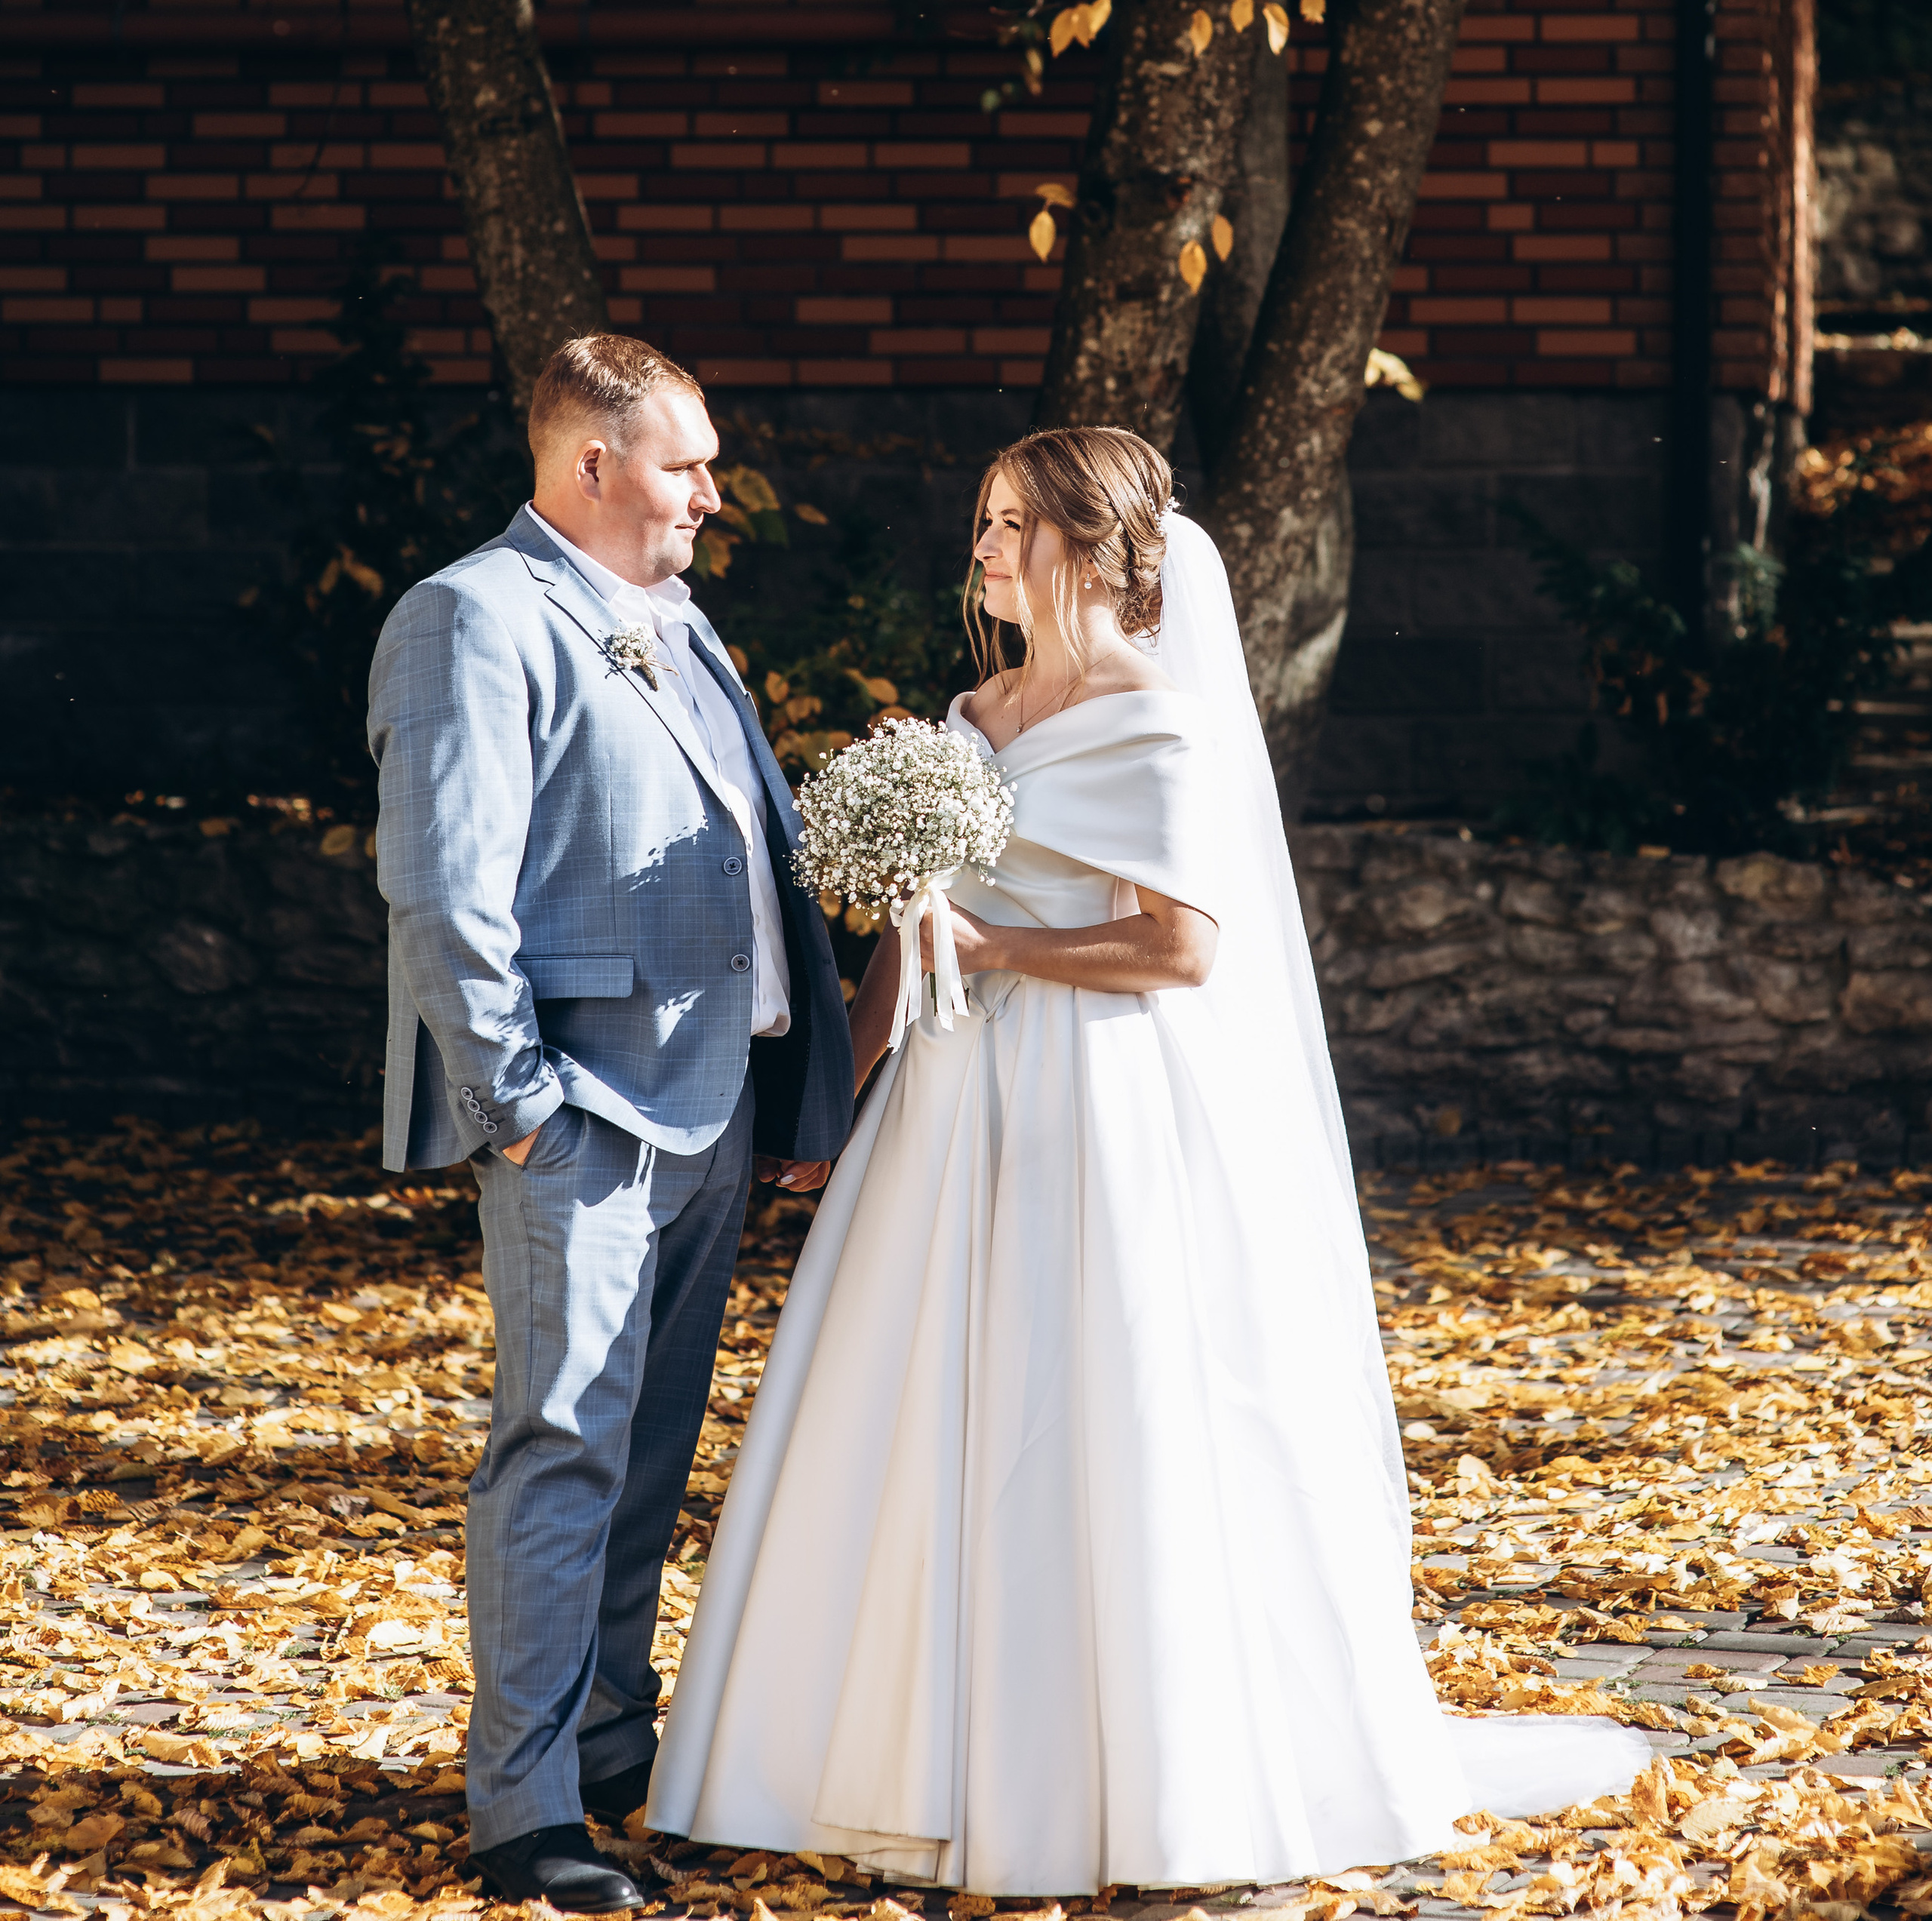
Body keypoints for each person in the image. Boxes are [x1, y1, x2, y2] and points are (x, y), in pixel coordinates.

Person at [648, 426, 1644, 1895]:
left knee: (1088, 1409)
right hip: (945, 1107)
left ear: (1094, 548)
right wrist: (829, 1105)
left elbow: (1179, 948)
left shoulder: (1155, 723)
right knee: (914, 1409)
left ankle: (1128, 1783)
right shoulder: (970, 713)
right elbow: (912, 933)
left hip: (1089, 1101)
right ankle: (886, 1761)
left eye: (1013, 524)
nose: (984, 548)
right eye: (983, 519)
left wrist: (1000, 946)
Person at [368, 333, 854, 1913]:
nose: (711, 493)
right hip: (580, 1114)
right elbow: (445, 887)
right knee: (562, 1446)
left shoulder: (684, 623)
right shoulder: (474, 614)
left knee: (646, 1453)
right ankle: (523, 1815)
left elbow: (753, 863)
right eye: (684, 463)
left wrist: (800, 1080)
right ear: (592, 464)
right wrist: (517, 1107)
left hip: (712, 1109)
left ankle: (607, 1755)